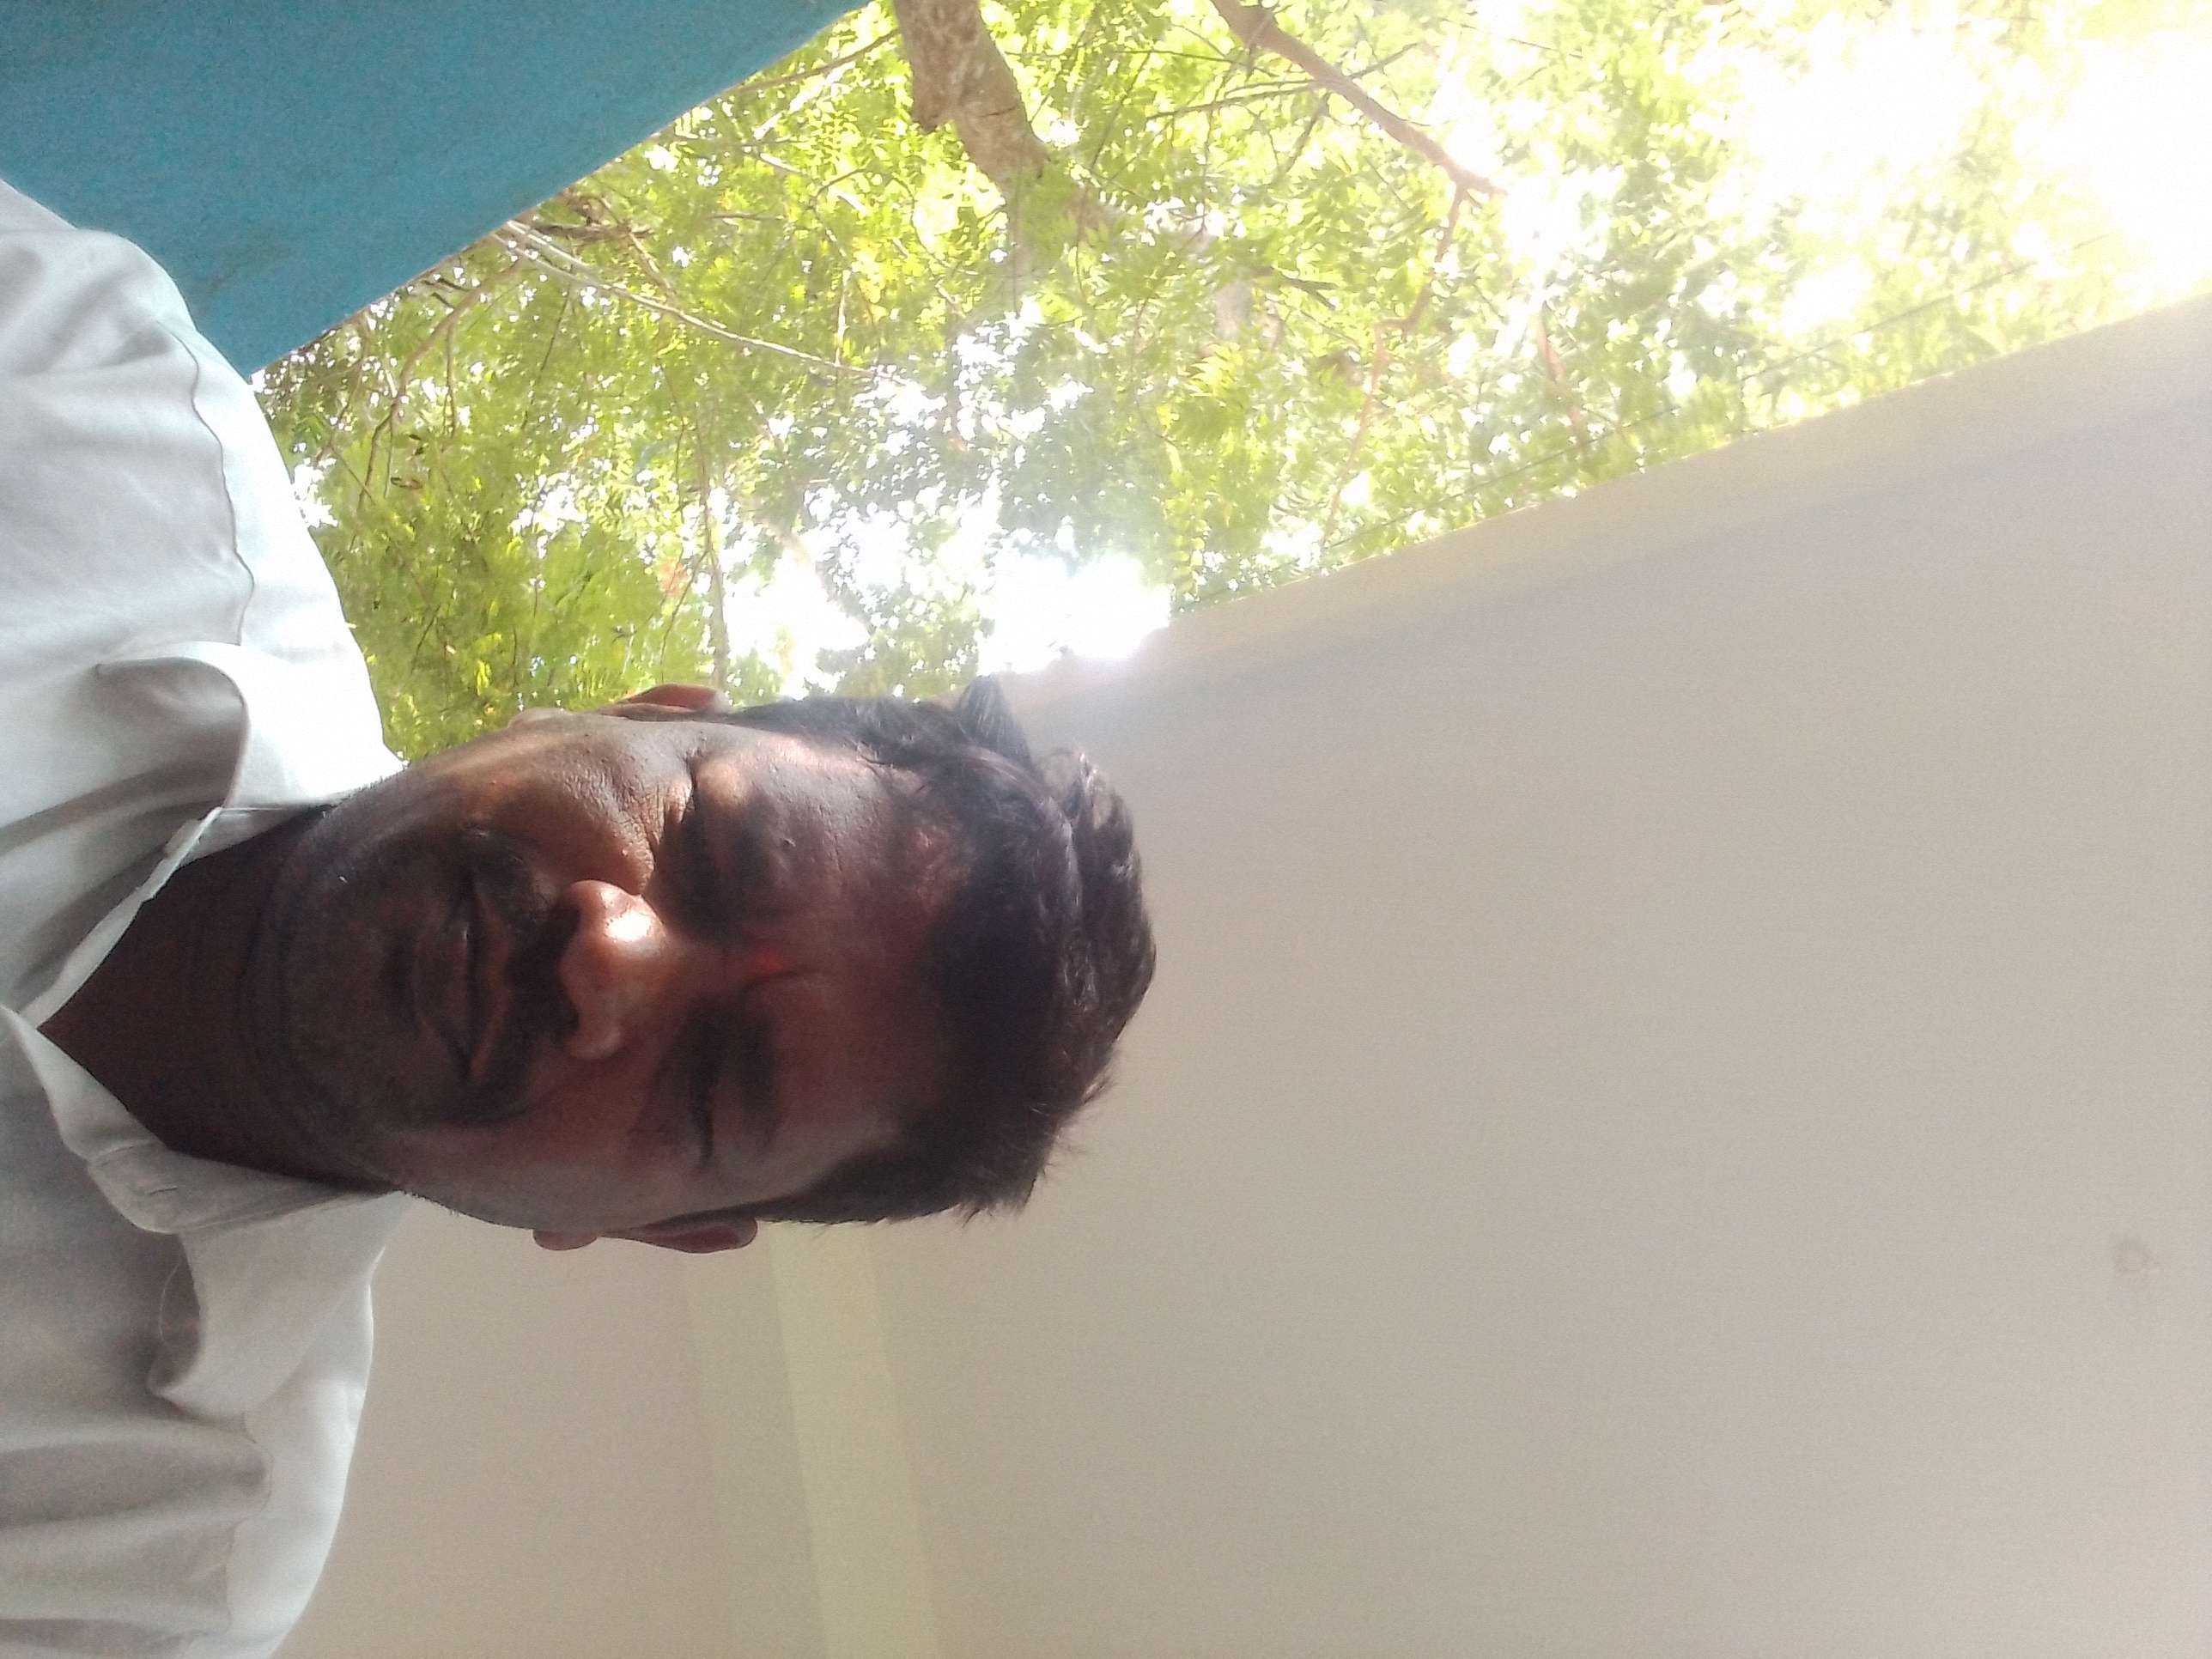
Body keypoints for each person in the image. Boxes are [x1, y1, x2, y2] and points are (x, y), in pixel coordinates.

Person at [0, 178, 1153, 1656]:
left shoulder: (144, 1569)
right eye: (710, 851)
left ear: (649, 1228)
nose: (610, 956)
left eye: (715, 1079)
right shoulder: (96, 410)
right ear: (638, 713)